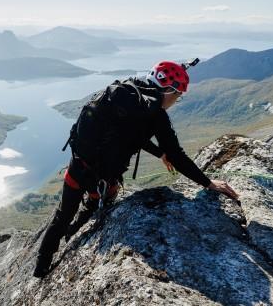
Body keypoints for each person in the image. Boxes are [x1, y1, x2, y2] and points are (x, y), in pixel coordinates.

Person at [33, 60, 239, 278]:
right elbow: (177, 155)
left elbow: (130, 134)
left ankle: (41, 268)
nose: (176, 101)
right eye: (177, 96)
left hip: (77, 167)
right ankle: (76, 233)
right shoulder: (155, 114)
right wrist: (208, 183)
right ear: (170, 91)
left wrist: (160, 153)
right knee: (93, 207)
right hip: (104, 181)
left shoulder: (127, 91)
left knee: (61, 217)